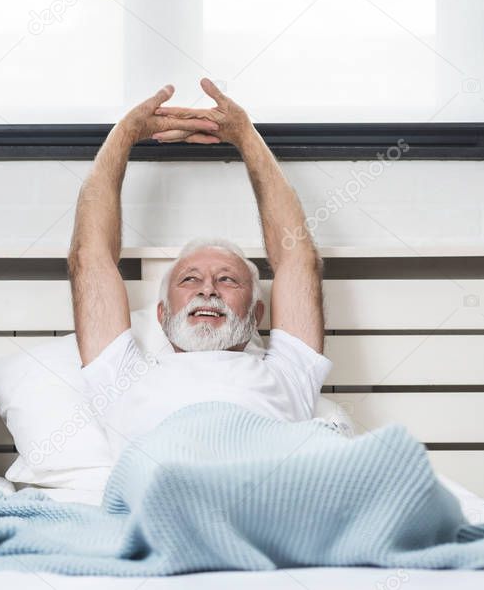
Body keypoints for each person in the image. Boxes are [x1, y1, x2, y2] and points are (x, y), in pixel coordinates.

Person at [68, 78, 332, 450]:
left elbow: (297, 260)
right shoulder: (122, 378)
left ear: (257, 314)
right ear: (161, 315)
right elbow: (89, 258)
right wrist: (124, 133)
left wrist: (246, 136)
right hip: (164, 487)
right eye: (189, 279)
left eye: (227, 280)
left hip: (267, 487)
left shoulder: (290, 374)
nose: (208, 289)